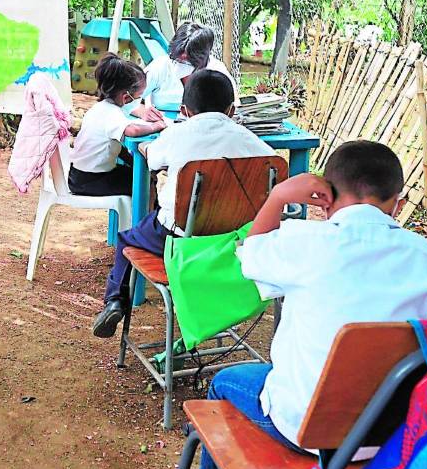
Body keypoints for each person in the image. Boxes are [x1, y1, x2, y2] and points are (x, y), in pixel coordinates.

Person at [190, 140, 427, 469]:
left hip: (306, 430)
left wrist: (278, 196)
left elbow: (249, 256)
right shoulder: (420, 254)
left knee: (223, 382)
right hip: (393, 434)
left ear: (325, 198)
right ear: (397, 204)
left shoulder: (306, 242)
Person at [92, 68, 273, 337]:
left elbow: (153, 159)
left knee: (128, 238)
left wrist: (144, 148)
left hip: (178, 238)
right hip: (232, 242)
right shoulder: (252, 141)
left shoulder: (178, 134)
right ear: (232, 110)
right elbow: (274, 167)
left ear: (184, 111)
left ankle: (115, 300)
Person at [68, 55, 167, 198]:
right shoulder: (111, 114)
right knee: (145, 183)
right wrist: (156, 126)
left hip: (79, 175)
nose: (140, 101)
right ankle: (144, 219)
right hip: (91, 179)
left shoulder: (99, 108)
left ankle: (137, 218)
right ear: (126, 97)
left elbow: (116, 148)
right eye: (139, 96)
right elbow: (132, 130)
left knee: (140, 175)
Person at [142, 22, 237, 109]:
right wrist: (141, 111)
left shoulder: (217, 71)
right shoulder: (161, 66)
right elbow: (130, 97)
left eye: (189, 58)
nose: (183, 58)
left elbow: (233, 106)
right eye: (179, 57)